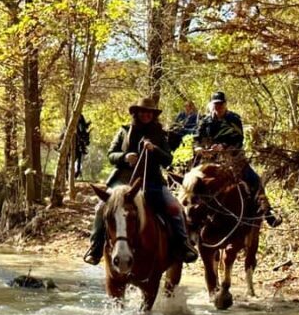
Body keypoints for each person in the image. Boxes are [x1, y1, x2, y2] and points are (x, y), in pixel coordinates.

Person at [83, 97, 198, 265]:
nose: (146, 115)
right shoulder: (123, 131)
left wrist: (155, 149)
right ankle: (95, 248)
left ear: (153, 115)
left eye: (149, 112)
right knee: (101, 208)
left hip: (152, 181)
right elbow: (111, 154)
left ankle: (182, 245)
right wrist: (125, 157)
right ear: (136, 113)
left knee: (174, 207)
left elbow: (168, 160)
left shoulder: (160, 134)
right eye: (143, 112)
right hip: (122, 181)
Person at [194, 91, 281, 227]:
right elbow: (196, 139)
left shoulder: (234, 119)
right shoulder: (204, 121)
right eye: (216, 104)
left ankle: (267, 212)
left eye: (221, 104)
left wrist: (223, 146)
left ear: (225, 104)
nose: (218, 107)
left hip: (233, 157)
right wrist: (199, 148)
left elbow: (239, 140)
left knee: (254, 180)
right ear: (211, 105)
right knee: (192, 182)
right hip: (209, 159)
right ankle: (190, 220)